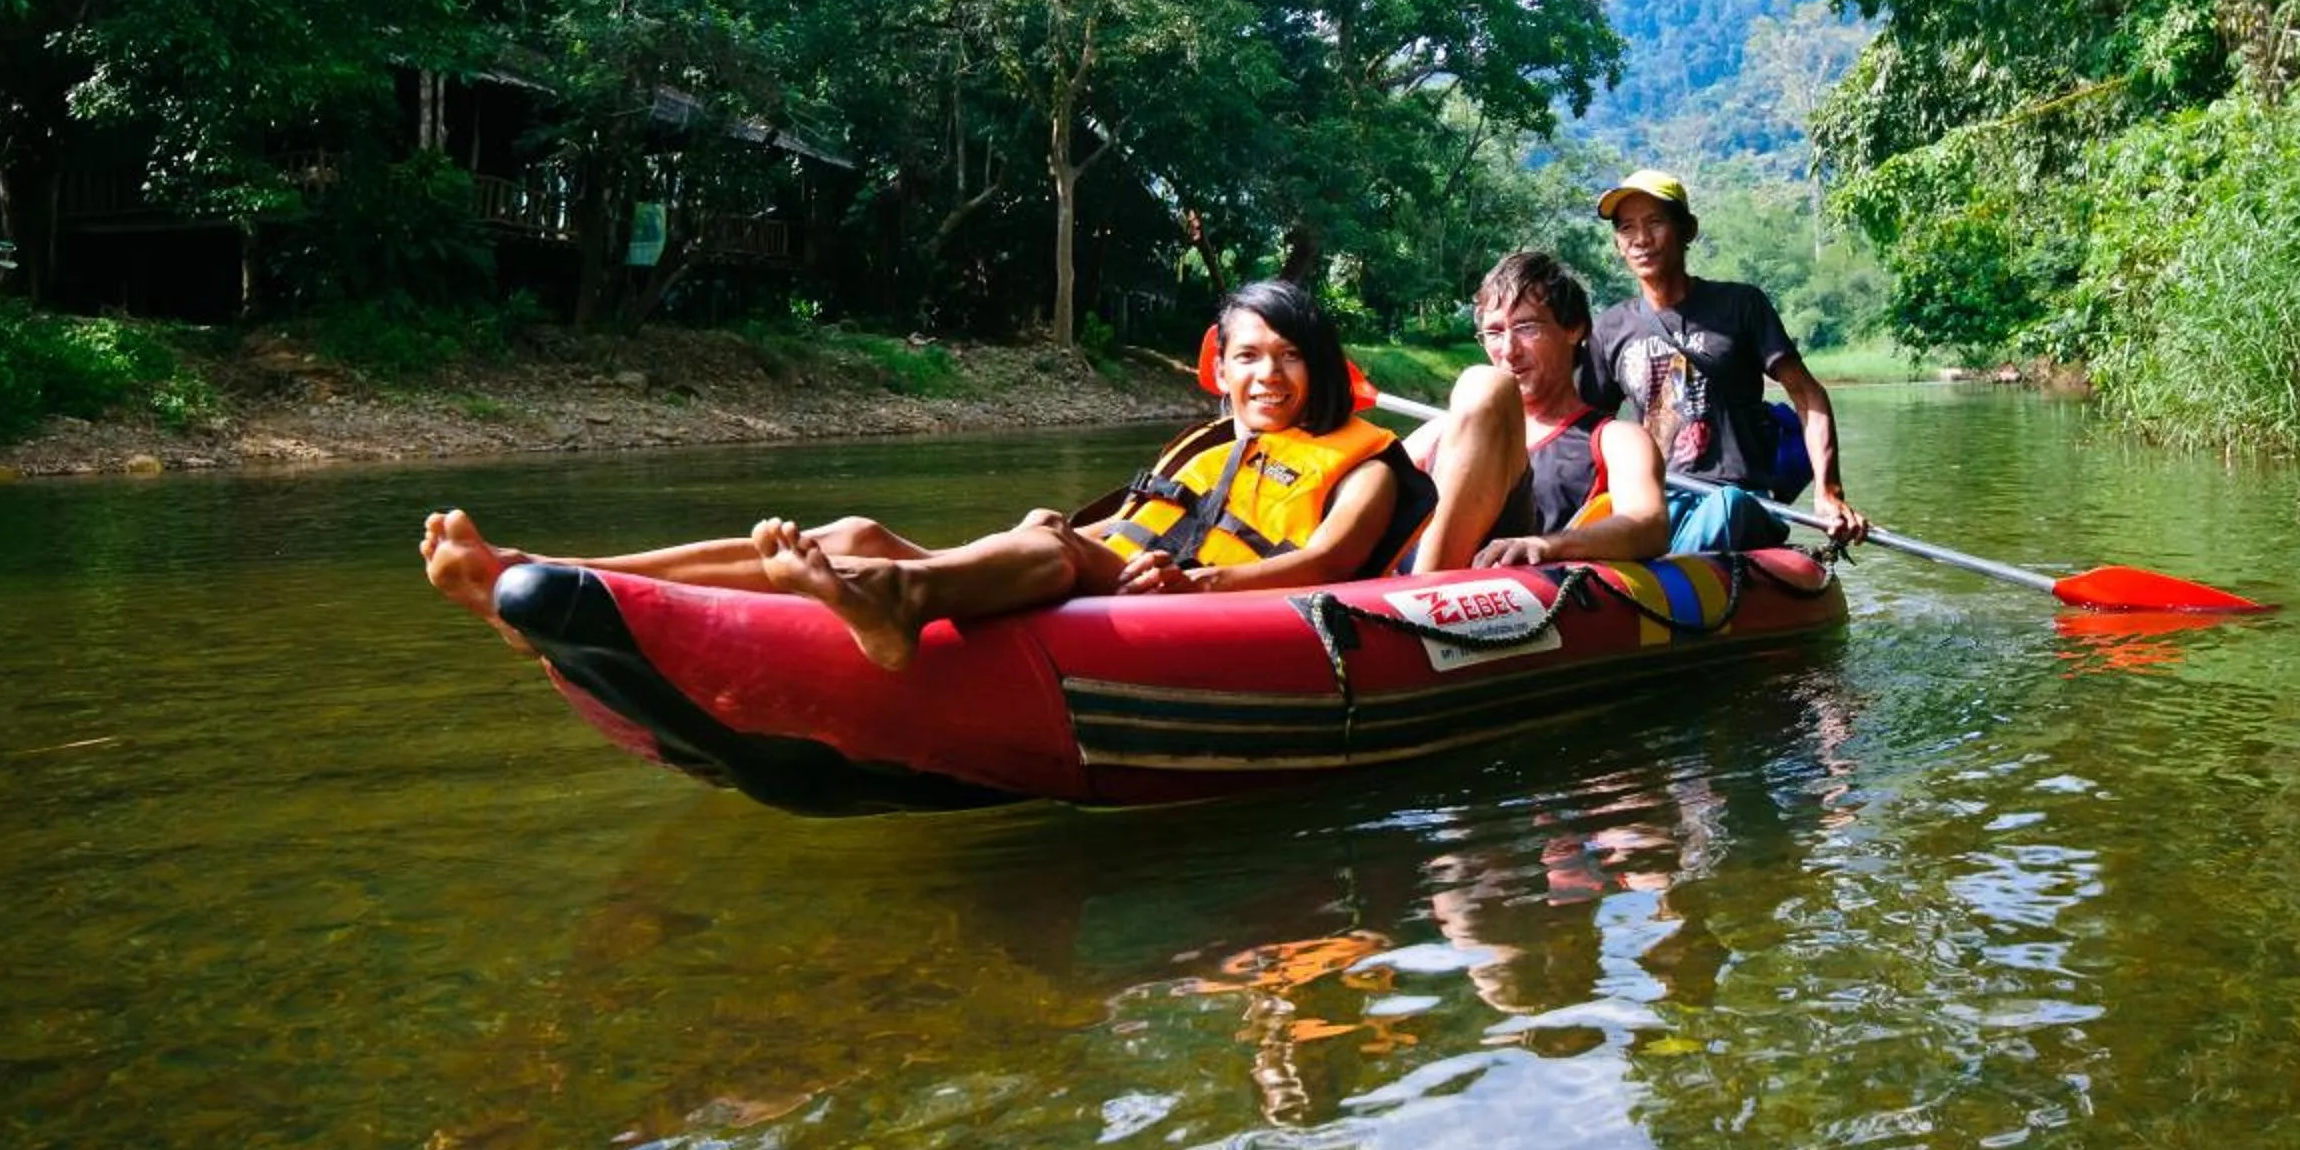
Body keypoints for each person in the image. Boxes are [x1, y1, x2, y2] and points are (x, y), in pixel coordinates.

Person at [420, 280, 1430, 671]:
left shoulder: (1366, 464)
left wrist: (1205, 583)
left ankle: (897, 602)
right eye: (1247, 356)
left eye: (1286, 357)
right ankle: (552, 574)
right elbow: (1137, 520)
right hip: (1116, 563)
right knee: (854, 532)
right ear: (1224, 367)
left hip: (1198, 606)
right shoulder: (1205, 448)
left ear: (1321, 368)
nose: (1265, 375)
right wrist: (1088, 530)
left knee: (1033, 550)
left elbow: (1331, 561)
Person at [1587, 168, 1867, 552]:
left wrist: (1828, 491)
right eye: (1627, 229)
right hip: (1657, 501)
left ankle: (1668, 570)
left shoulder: (1740, 305)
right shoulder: (1609, 329)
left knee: (1729, 507)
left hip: (1740, 498)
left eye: (1655, 223)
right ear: (1618, 244)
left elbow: (1809, 396)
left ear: (1688, 230)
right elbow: (1590, 431)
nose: (1640, 239)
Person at [1398, 249, 1671, 569]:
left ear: (1574, 329)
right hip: (1416, 585)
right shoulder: (1440, 431)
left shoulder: (1615, 439)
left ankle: (1426, 593)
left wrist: (1546, 546)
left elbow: (1650, 525)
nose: (1509, 351)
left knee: (1485, 385)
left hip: (1517, 595)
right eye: (1495, 332)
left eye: (1527, 327)